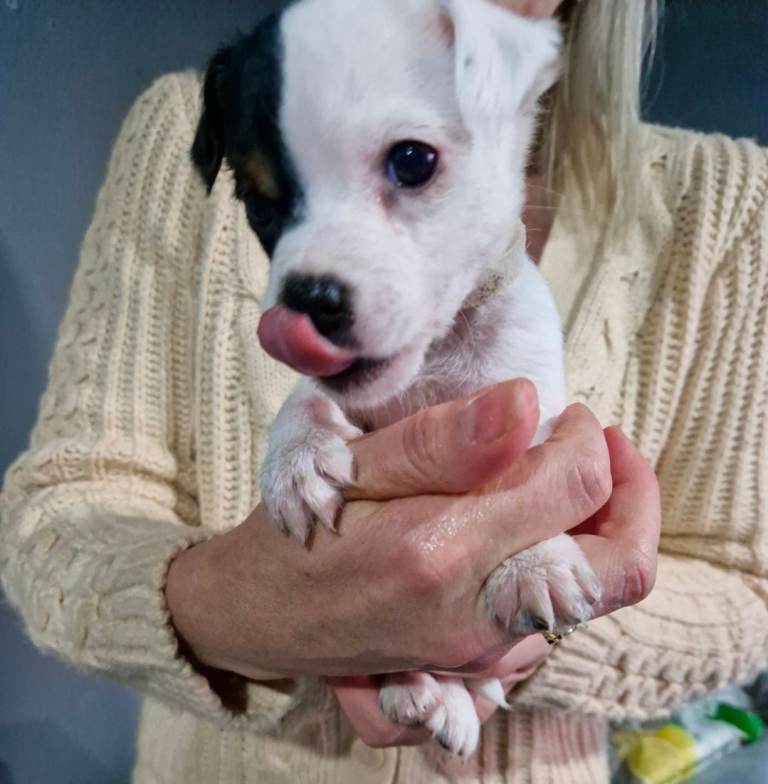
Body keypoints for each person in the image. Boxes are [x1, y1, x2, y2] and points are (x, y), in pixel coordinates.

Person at [0, 0, 766, 781]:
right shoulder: (205, 108)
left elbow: (751, 599)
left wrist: (519, 623)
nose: (319, 268)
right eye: (267, 204)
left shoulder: (730, 204)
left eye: (411, 164)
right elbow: (54, 523)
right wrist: (254, 611)